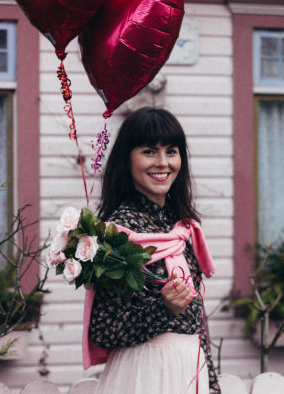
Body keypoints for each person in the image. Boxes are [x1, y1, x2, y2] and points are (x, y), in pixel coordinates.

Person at [83, 107, 221, 393]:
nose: (163, 163)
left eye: (171, 151)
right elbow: (104, 329)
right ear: (126, 159)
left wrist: (213, 385)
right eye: (149, 151)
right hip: (144, 374)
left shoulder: (181, 229)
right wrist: (163, 309)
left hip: (190, 371)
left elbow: (197, 322)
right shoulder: (118, 232)